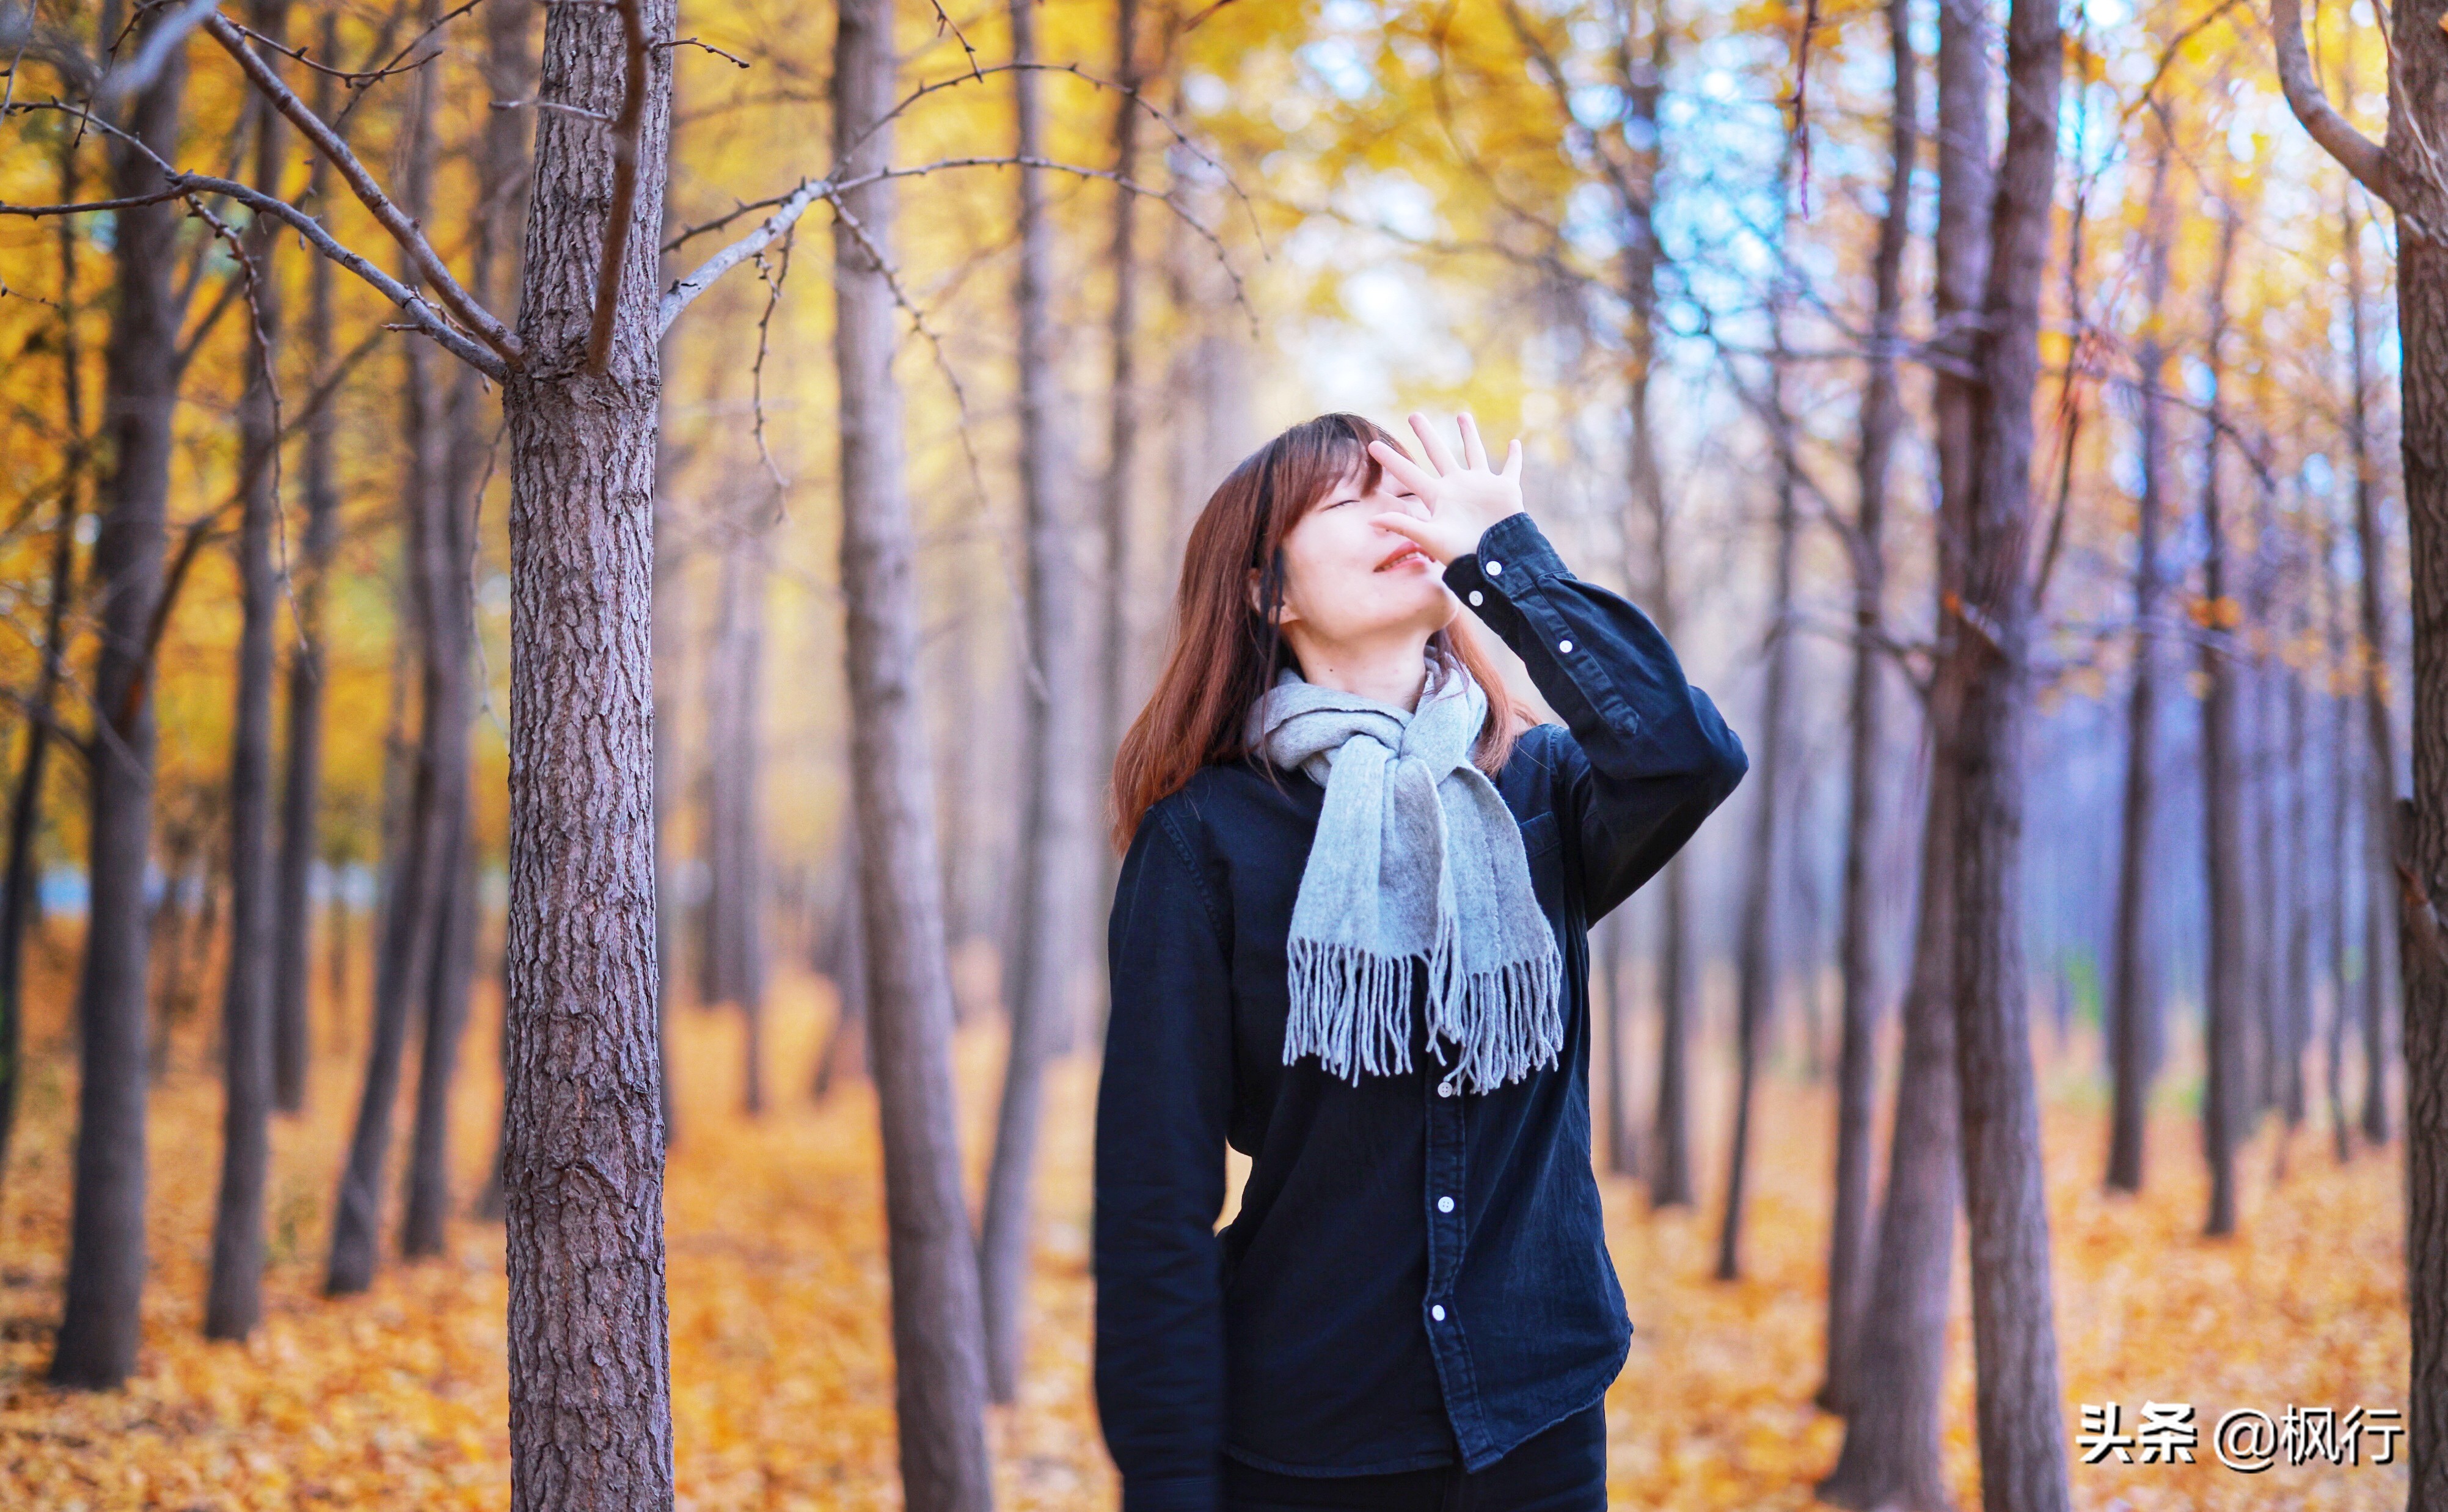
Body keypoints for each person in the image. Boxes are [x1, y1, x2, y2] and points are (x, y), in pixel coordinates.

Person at [1095, 409, 1747, 1512]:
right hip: (1302, 1433)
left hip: (1536, 1417)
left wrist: (1510, 557)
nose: (1401, 511)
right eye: (1349, 501)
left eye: (1409, 495)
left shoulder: (1538, 788)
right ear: (1270, 594)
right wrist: (1164, 1481)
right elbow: (1154, 1200)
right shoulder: (1205, 839)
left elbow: (1686, 756)